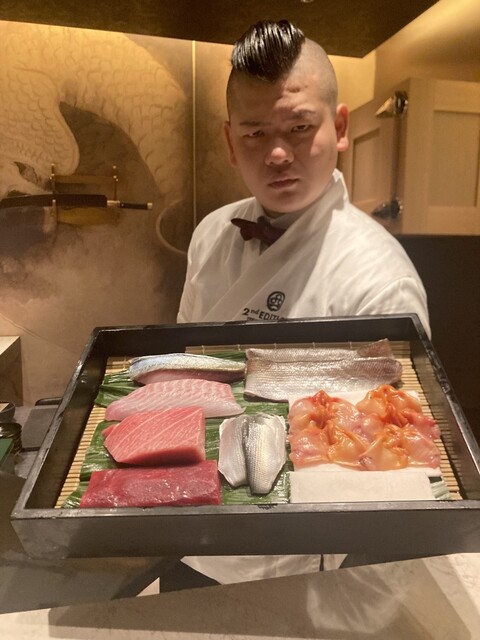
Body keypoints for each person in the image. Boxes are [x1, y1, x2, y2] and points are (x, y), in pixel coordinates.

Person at [176, 20, 430, 586]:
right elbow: (188, 363)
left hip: (294, 560)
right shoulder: (210, 233)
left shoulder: (381, 278)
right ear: (229, 141)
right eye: (255, 133)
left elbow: (389, 454)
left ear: (339, 128)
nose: (277, 153)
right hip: (189, 525)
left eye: (298, 127)